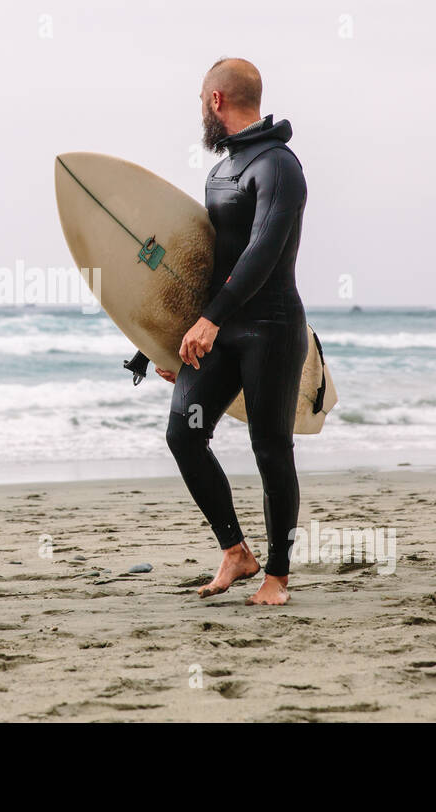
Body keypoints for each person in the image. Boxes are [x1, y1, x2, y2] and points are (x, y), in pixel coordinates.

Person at [154, 57, 308, 607]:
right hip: (218, 327)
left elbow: (262, 252)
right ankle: (237, 552)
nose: (200, 109)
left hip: (269, 327)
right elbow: (205, 261)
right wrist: (172, 335)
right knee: (183, 434)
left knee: (270, 449)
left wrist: (210, 319)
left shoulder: (279, 167)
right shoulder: (221, 171)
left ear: (216, 101)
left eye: (201, 99)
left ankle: (278, 576)